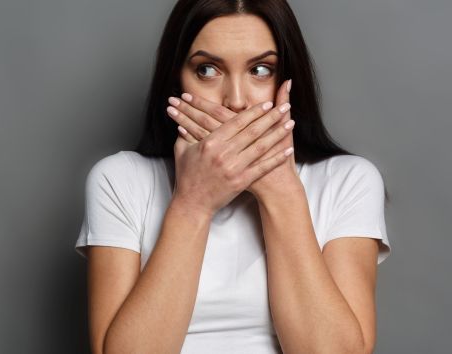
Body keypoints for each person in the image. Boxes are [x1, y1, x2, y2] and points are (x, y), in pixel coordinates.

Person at [74, 0, 392, 353]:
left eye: (260, 70)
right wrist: (192, 203)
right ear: (175, 79)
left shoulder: (348, 181)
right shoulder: (120, 180)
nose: (236, 101)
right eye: (208, 70)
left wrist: (281, 191)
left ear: (287, 80)